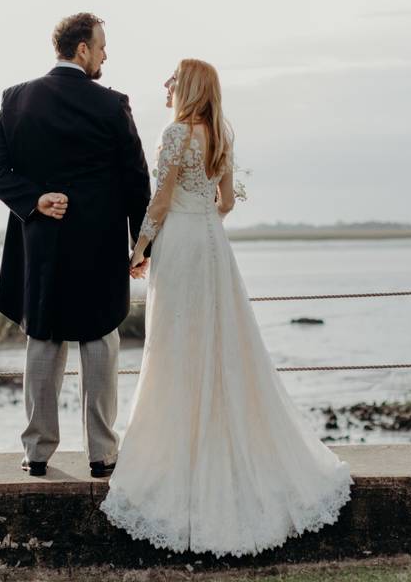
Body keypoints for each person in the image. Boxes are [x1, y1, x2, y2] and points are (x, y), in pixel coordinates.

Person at [99, 59, 353, 557]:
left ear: (187, 87)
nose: (167, 84)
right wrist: (206, 218)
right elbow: (228, 201)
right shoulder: (220, 135)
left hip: (182, 246)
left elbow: (161, 199)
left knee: (176, 347)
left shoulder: (175, 134)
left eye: (174, 77)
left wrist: (139, 249)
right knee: (223, 343)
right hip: (213, 243)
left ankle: (178, 453)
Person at [0, 13, 151, 478]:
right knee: (100, 339)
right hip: (99, 243)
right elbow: (137, 179)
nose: (105, 55)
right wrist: (143, 244)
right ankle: (102, 454)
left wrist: (34, 199)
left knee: (44, 340)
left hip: (42, 243)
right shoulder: (113, 105)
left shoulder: (16, 100)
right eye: (101, 47)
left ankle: (37, 453)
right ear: (82, 50)